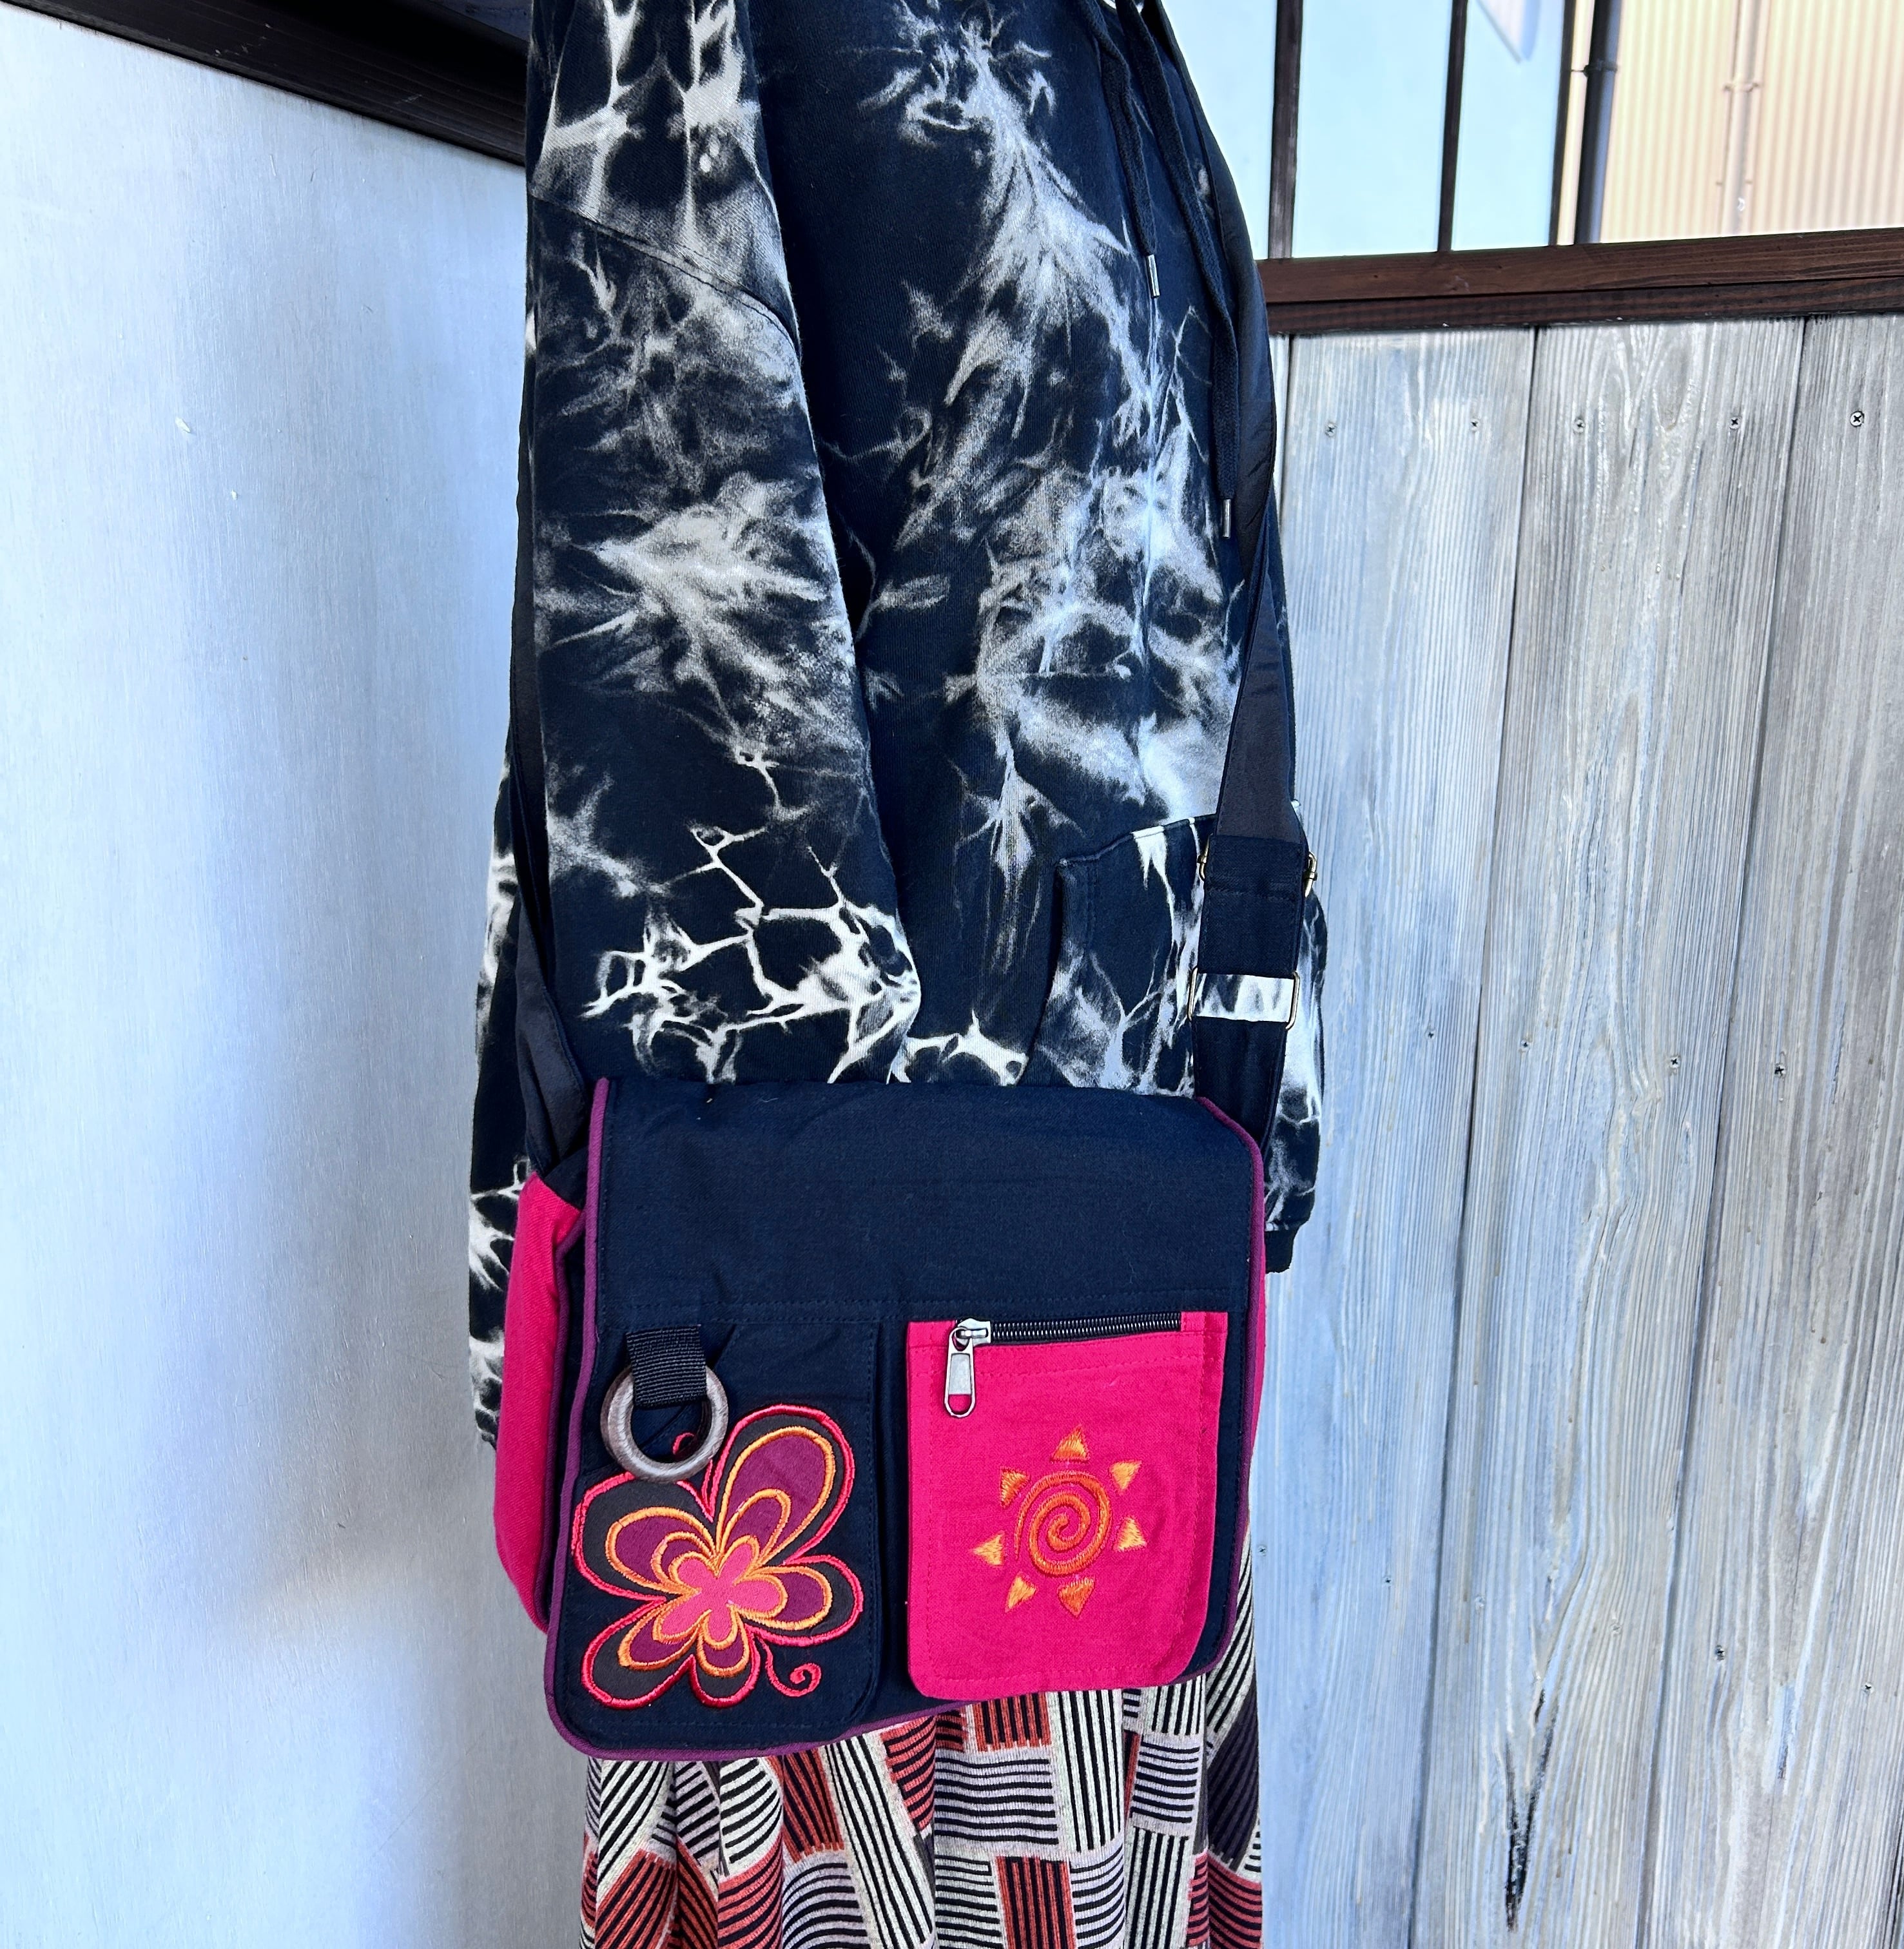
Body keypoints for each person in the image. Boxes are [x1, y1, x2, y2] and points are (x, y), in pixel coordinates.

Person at [468, 2, 1326, 1943]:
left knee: (1109, 1860)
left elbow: (1195, 668)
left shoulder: (1114, 41)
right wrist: (773, 1308)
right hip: (854, 1382)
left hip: (1123, 1309)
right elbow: (676, 640)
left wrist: (1255, 1122)